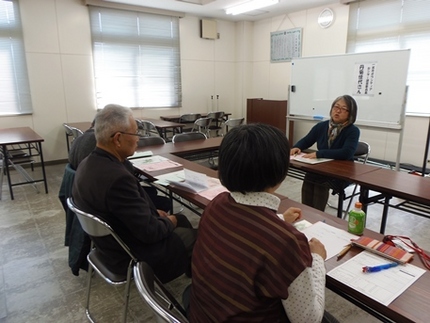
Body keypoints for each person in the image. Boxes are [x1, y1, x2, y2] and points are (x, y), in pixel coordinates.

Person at [189, 124, 333, 322]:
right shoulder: (286, 241)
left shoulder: (217, 204)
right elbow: (309, 319)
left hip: (202, 313)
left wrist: (280, 220)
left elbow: (244, 232)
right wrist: (317, 259)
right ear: (281, 172)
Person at [72, 104, 197, 283]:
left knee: (181, 220)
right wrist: (167, 220)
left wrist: (154, 215)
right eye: (136, 133)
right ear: (117, 139)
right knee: (202, 235)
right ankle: (200, 286)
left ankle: (192, 271)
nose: (138, 139)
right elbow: (150, 232)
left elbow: (131, 212)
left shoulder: (87, 163)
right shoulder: (117, 178)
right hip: (130, 253)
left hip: (109, 245)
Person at [68, 114, 171, 212]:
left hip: (90, 194)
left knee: (151, 191)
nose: (138, 139)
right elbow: (127, 172)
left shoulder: (79, 139)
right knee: (164, 202)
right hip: (106, 196)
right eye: (135, 133)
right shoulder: (100, 142)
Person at [290, 95, 360, 211]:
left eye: (343, 109)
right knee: (309, 176)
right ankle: (307, 212)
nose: (338, 111)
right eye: (336, 107)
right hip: (322, 166)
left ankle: (317, 215)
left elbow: (347, 153)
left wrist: (319, 154)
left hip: (341, 171)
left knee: (320, 181)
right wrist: (297, 147)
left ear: (350, 113)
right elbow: (307, 140)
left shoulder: (353, 130)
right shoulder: (322, 126)